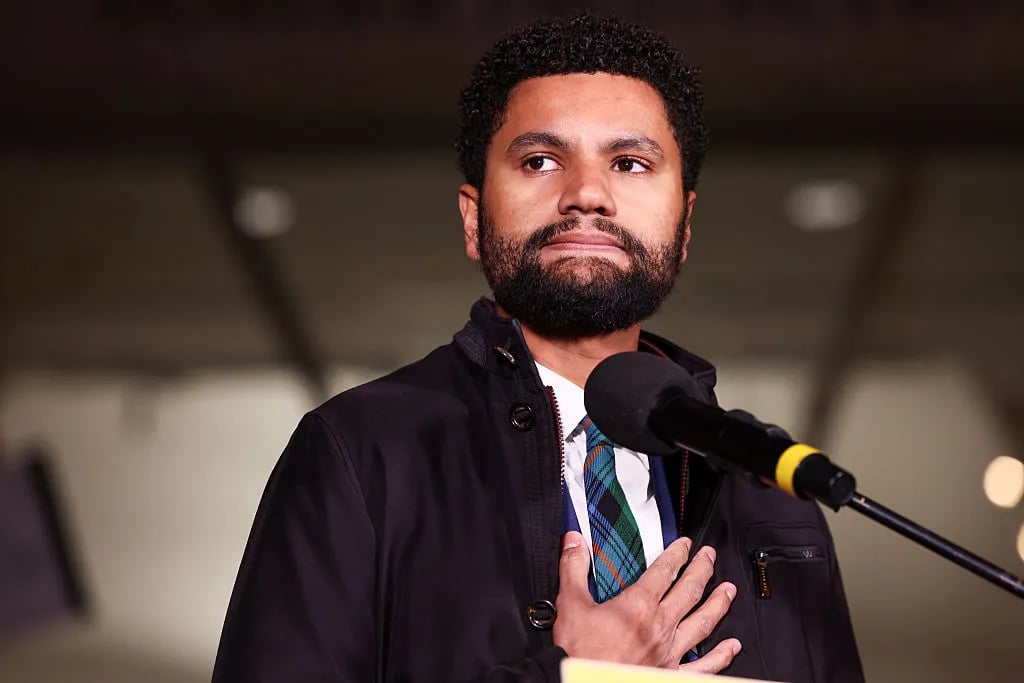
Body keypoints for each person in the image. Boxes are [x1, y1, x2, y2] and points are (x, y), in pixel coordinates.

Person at [212, 14, 863, 683]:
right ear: (474, 218)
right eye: (540, 161)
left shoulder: (771, 485)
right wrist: (569, 675)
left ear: (685, 224)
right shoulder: (361, 453)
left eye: (630, 163)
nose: (586, 193)